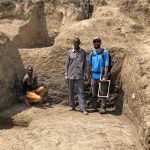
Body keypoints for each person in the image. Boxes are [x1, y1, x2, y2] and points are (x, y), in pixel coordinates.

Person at [65, 38, 88, 115]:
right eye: (75, 42)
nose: (76, 44)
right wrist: (66, 75)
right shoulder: (69, 52)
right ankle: (72, 106)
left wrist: (85, 73)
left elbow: (85, 64)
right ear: (73, 43)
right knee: (70, 91)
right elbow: (67, 64)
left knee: (80, 92)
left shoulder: (83, 52)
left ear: (80, 43)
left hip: (79, 75)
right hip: (70, 75)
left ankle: (83, 108)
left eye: (78, 42)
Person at [88, 37, 109, 114]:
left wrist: (105, 76)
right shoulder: (92, 53)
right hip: (93, 75)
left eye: (98, 41)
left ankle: (103, 107)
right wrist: (89, 76)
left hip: (101, 75)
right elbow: (89, 65)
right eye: (94, 41)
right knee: (94, 92)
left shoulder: (105, 52)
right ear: (93, 43)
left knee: (102, 92)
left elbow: (106, 65)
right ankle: (94, 107)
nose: (96, 43)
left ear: (100, 43)